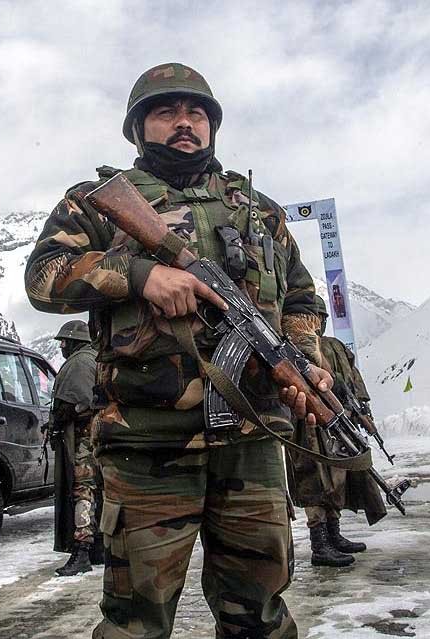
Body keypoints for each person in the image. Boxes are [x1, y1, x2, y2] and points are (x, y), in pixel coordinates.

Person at [25, 62, 332, 639]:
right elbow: (44, 278)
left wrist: (301, 360)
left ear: (213, 125)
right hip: (147, 445)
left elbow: (300, 297)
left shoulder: (259, 210)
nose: (184, 123)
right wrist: (140, 276)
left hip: (252, 442)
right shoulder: (96, 203)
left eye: (196, 113)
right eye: (166, 112)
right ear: (138, 128)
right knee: (135, 623)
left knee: (260, 615)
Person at [287, 295, 387, 567]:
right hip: (306, 425)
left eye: (320, 318)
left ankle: (334, 534)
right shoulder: (295, 348)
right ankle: (320, 544)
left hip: (336, 422)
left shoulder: (335, 347)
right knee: (313, 479)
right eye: (314, 317)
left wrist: (361, 410)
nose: (317, 323)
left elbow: (354, 380)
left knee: (337, 479)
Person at [47, 319, 103, 576]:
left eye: (63, 342)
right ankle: (98, 548)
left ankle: (82, 550)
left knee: (83, 492)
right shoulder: (94, 358)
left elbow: (72, 404)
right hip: (97, 437)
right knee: (97, 491)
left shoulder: (79, 363)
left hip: (83, 440)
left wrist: (57, 423)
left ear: (72, 341)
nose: (61, 347)